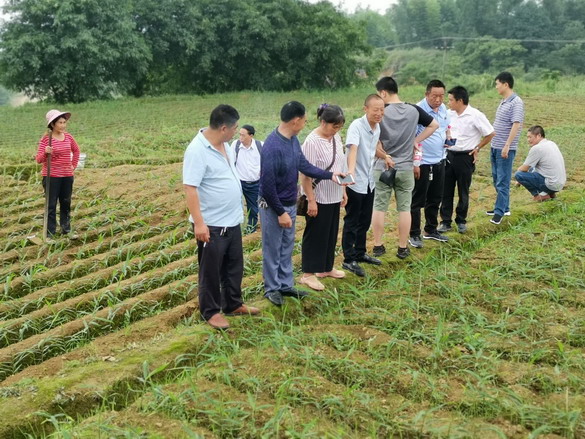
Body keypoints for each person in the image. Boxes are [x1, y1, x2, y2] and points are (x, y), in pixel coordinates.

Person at [259, 101, 345, 306]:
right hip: (273, 206)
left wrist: (330, 175)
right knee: (273, 248)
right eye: (305, 120)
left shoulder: (293, 140)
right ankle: (272, 289)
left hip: (288, 202)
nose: (306, 123)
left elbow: (303, 165)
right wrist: (280, 212)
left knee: (287, 246)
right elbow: (267, 185)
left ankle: (286, 284)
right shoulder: (272, 146)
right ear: (296, 121)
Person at [183, 104, 260, 330]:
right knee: (211, 271)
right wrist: (199, 223)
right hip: (212, 224)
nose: (237, 131)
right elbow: (190, 188)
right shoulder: (197, 150)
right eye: (235, 127)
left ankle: (233, 303)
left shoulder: (225, 145)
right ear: (224, 127)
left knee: (234, 266)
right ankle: (211, 312)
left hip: (232, 220)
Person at [372, 76, 438, 260]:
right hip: (406, 167)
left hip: (383, 165)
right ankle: (402, 248)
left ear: (383, 92)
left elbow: (371, 135)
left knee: (379, 206)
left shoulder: (380, 111)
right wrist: (415, 141)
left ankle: (378, 246)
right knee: (404, 208)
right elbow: (434, 124)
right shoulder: (413, 110)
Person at [299, 104, 348, 291]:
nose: (336, 130)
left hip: (334, 193)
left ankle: (325, 268)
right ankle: (308, 274)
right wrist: (311, 200)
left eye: (339, 127)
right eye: (333, 126)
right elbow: (305, 175)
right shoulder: (311, 142)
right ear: (322, 122)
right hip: (318, 196)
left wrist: (343, 190)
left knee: (330, 232)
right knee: (315, 234)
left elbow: (339, 165)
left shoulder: (335, 137)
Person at [438, 86, 495, 234]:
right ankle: (445, 221)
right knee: (446, 190)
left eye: (451, 100)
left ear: (460, 100)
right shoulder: (448, 114)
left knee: (463, 190)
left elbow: (490, 133)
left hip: (465, 156)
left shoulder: (475, 115)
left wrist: (478, 147)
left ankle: (461, 220)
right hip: (449, 155)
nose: (448, 103)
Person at [341, 94, 385, 277]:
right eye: (375, 109)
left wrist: (385, 156)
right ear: (365, 109)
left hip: (369, 181)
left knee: (365, 220)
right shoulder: (356, 126)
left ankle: (360, 252)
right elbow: (353, 149)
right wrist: (350, 172)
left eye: (382, 110)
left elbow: (373, 149)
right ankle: (348, 259)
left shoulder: (377, 128)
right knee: (352, 221)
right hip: (354, 181)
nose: (379, 113)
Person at [408, 79, 451, 249]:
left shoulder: (444, 108)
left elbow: (446, 126)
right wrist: (414, 163)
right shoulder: (417, 111)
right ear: (427, 94)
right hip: (422, 162)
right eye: (435, 96)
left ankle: (431, 229)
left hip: (439, 159)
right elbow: (411, 138)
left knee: (435, 197)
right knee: (417, 199)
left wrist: (448, 137)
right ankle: (414, 233)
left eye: (441, 96)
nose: (438, 100)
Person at [35, 109, 80, 239]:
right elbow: (38, 160)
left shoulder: (69, 137)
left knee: (66, 203)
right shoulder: (46, 139)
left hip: (67, 176)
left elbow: (76, 151)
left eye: (64, 122)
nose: (63, 125)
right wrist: (46, 152)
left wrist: (73, 165)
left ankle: (66, 230)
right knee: (51, 205)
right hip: (52, 177)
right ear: (52, 124)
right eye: (60, 122)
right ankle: (50, 234)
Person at [488, 72, 525, 225]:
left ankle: (499, 212)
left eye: (497, 84)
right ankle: (505, 207)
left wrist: (507, 145)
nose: (496, 87)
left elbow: (516, 124)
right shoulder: (504, 101)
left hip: (505, 148)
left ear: (505, 84)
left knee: (503, 180)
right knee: (497, 178)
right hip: (495, 146)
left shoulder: (516, 102)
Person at [515, 125, 566, 201]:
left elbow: (524, 168)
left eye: (530, 137)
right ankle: (550, 194)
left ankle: (538, 195)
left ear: (538, 135)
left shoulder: (537, 148)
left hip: (551, 184)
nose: (528, 140)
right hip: (560, 183)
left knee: (519, 174)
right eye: (527, 137)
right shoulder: (551, 143)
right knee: (533, 168)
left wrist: (518, 180)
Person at [231, 124, 262, 233]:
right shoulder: (235, 145)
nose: (241, 138)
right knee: (235, 206)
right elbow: (230, 163)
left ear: (251, 136)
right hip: (239, 183)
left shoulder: (260, 146)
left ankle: (251, 229)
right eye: (240, 135)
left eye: (243, 136)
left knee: (253, 208)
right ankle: (235, 228)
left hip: (254, 183)